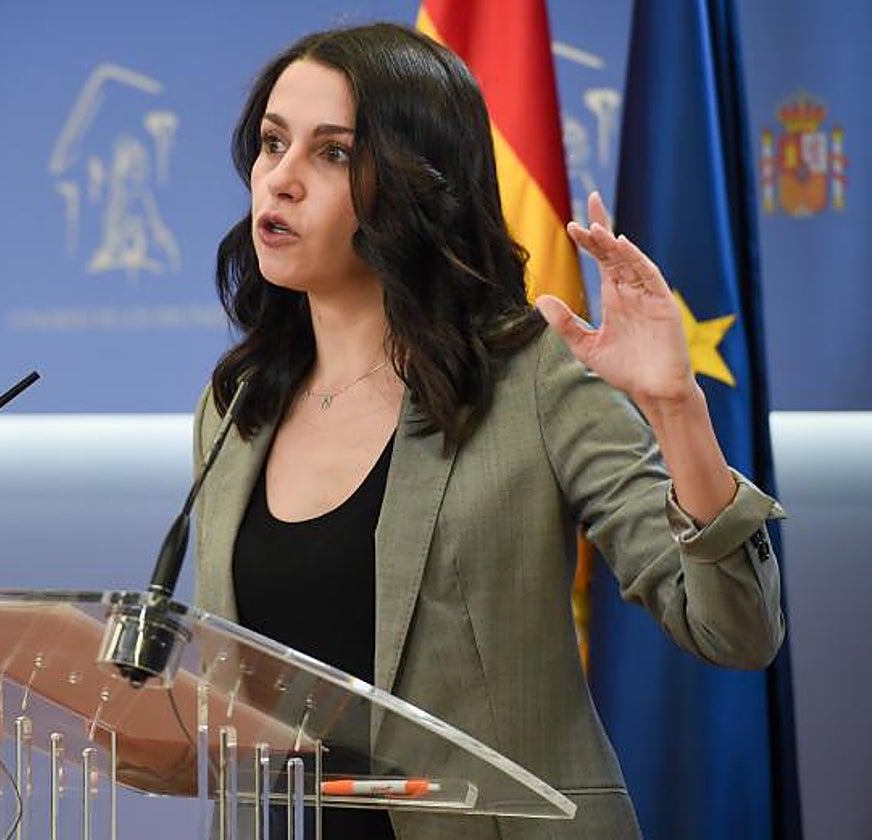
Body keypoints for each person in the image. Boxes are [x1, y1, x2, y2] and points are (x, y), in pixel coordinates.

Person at [191, 22, 784, 840]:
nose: (279, 181)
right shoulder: (237, 406)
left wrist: (675, 404)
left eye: (331, 153)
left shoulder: (530, 377)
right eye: (271, 143)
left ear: (413, 181)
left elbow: (735, 628)